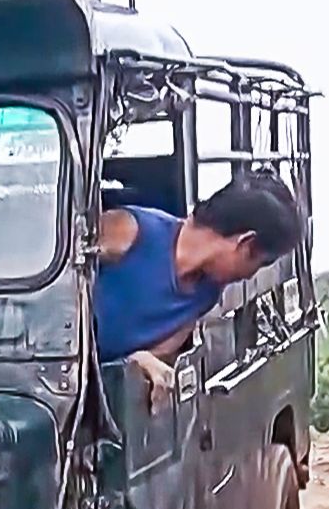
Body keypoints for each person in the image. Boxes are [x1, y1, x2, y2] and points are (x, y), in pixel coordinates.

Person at [93, 174, 305, 407]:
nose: (249, 276)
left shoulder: (205, 294)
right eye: (259, 264)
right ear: (245, 244)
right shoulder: (128, 230)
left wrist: (137, 363)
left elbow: (152, 357)